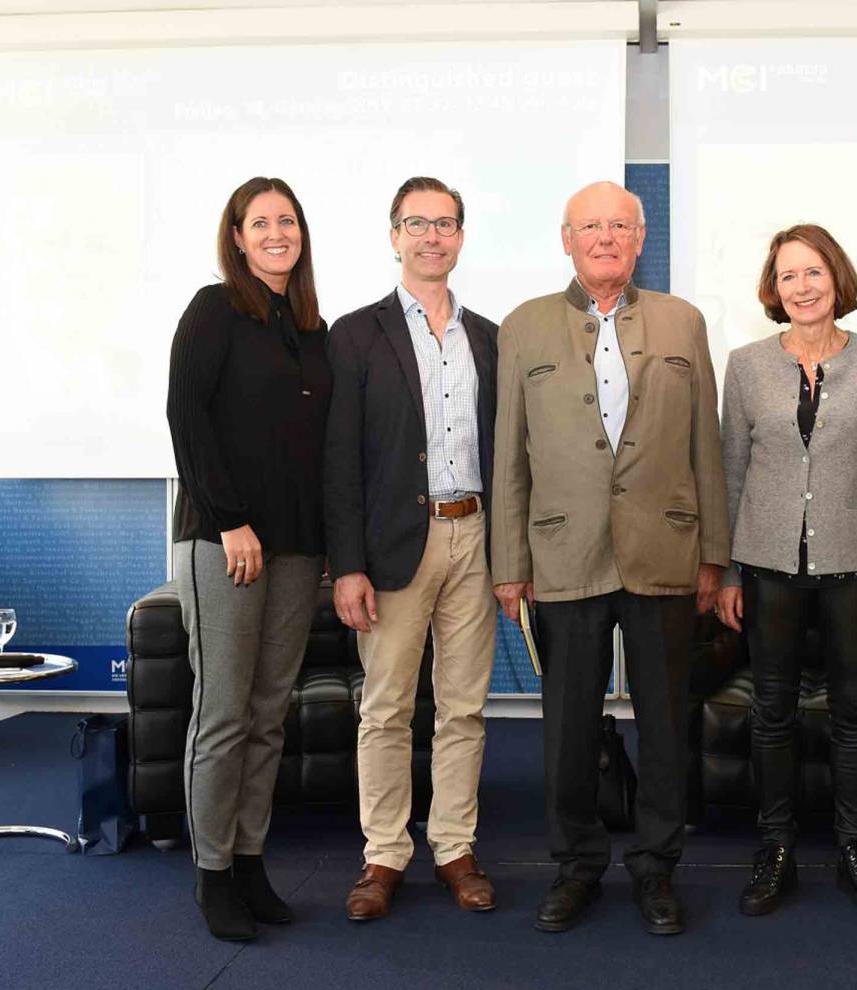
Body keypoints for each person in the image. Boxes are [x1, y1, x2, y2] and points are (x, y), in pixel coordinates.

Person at [490, 180, 729, 936]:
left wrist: (714, 554)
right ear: (566, 239)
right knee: (567, 727)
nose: (605, 238)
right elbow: (509, 458)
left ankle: (657, 868)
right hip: (563, 552)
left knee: (664, 724)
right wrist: (507, 560)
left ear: (639, 238)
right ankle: (577, 866)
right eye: (589, 226)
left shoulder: (682, 322)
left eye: (618, 226)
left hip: (666, 546)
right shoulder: (523, 327)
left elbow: (707, 450)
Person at [715, 224, 857, 919]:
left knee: (853, 713)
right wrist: (730, 574)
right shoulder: (744, 365)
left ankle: (854, 849)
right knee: (771, 714)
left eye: (814, 273)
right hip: (768, 566)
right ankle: (774, 850)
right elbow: (732, 471)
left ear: (837, 280)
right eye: (789, 276)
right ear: (773, 290)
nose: (802, 287)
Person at [323, 177, 500, 922]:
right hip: (397, 542)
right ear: (393, 235)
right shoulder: (355, 333)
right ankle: (385, 855)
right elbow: (338, 457)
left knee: (464, 708)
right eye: (417, 223)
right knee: (387, 707)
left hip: (477, 534)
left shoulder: (490, 337)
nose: (433, 236)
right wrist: (348, 563)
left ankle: (455, 847)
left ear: (461, 237)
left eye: (446, 223)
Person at [166, 176, 330, 942]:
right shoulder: (214, 310)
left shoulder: (309, 326)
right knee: (225, 712)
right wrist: (231, 522)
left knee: (269, 715)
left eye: (287, 221)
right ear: (236, 237)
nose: (276, 233)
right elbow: (186, 416)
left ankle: (251, 856)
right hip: (224, 540)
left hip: (298, 548)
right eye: (259, 221)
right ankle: (211, 874)